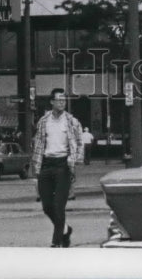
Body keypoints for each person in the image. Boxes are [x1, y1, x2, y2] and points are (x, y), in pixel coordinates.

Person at [31, 88, 83, 248]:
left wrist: (73, 159)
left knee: (58, 206)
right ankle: (66, 230)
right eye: (58, 99)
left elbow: (80, 143)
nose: (62, 102)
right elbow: (38, 144)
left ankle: (56, 241)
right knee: (47, 206)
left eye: (64, 100)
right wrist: (36, 168)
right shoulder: (43, 121)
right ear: (51, 101)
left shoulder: (72, 121)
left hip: (63, 165)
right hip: (46, 164)